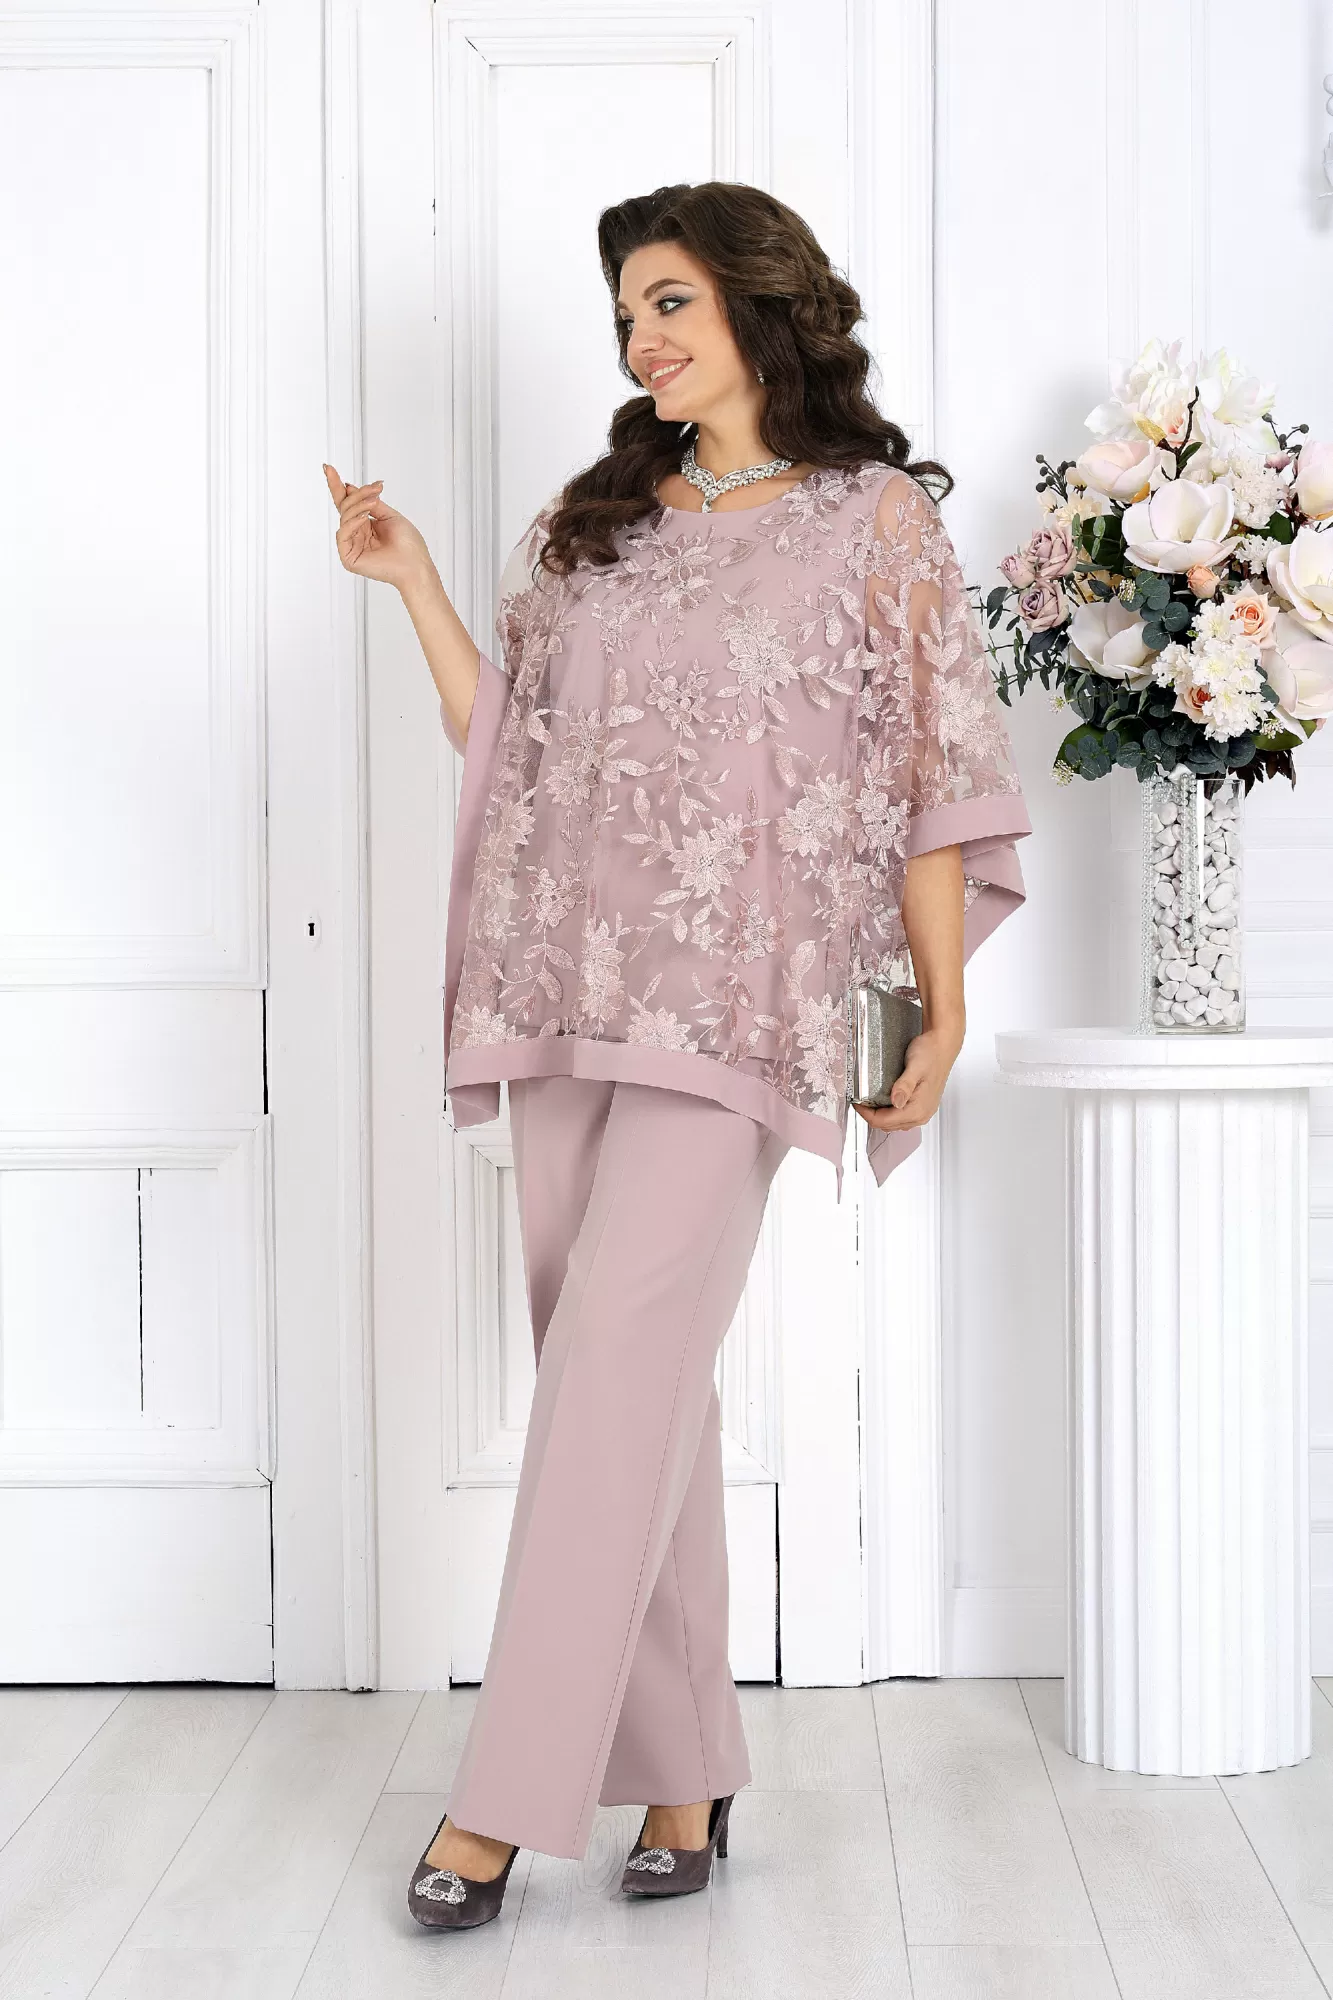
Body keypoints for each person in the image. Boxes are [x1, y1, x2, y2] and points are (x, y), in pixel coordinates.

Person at [323, 179, 1032, 1931]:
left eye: (671, 303)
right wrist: (415, 585)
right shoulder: (595, 524)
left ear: (759, 308)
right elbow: (513, 743)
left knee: (611, 1374)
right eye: (629, 311)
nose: (644, 339)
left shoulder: (873, 522)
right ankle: (687, 1770)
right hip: (568, 983)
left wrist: (941, 1006)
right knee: (626, 1387)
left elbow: (935, 774)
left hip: (745, 1007)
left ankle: (498, 1802)